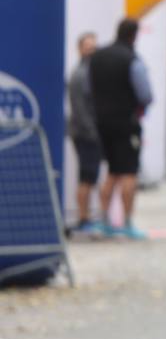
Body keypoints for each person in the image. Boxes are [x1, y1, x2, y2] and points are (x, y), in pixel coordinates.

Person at [89, 18, 155, 241]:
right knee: (128, 173)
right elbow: (145, 94)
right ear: (134, 35)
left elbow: (89, 89)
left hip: (102, 122)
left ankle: (104, 222)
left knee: (111, 172)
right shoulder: (131, 59)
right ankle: (126, 222)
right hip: (126, 123)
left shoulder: (97, 57)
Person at [64, 31, 101, 234]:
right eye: (88, 47)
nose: (91, 51)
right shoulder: (80, 75)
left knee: (89, 176)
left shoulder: (89, 73)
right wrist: (92, 132)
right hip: (85, 133)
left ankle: (86, 216)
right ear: (80, 49)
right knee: (86, 176)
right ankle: (83, 217)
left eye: (94, 48)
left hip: (87, 132)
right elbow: (79, 108)